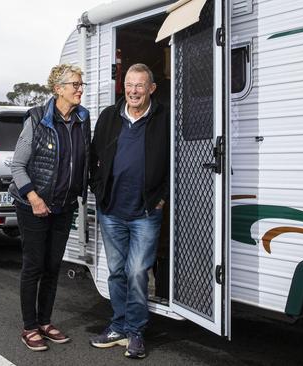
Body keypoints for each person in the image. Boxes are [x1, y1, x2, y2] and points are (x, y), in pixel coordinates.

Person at [88, 63, 169, 359]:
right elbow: (94, 156)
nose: (133, 91)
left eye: (140, 86)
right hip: (111, 210)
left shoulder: (164, 118)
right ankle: (118, 326)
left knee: (136, 272)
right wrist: (98, 190)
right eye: (129, 85)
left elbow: (176, 159)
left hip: (146, 212)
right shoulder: (110, 116)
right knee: (116, 271)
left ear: (151, 89)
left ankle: (135, 332)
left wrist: (163, 197)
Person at [9, 64, 90, 351]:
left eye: (81, 84)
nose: (80, 89)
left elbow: (83, 159)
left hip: (63, 206)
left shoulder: (83, 118)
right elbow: (18, 166)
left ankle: (45, 322)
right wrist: (34, 198)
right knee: (34, 265)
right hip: (32, 204)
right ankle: (29, 327)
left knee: (53, 266)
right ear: (58, 89)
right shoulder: (36, 119)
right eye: (75, 85)